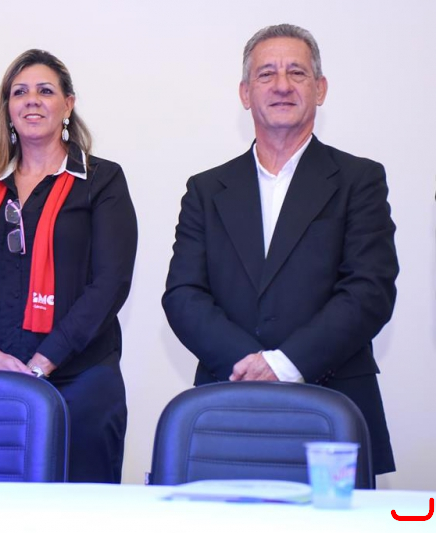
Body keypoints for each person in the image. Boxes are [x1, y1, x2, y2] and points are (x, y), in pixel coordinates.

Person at [162, 24, 398, 476]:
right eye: (266, 74)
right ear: (245, 93)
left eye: (297, 72)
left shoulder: (359, 180)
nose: (283, 85)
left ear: (320, 89)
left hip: (333, 408)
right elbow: (183, 295)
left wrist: (283, 365)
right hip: (226, 403)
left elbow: (369, 291)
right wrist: (250, 366)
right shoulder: (206, 189)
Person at [0, 49, 137, 483]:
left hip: (81, 380)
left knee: (80, 510)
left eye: (45, 91)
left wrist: (43, 363)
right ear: (7, 109)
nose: (32, 100)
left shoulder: (102, 180)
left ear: (68, 105)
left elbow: (110, 283)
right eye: (20, 92)